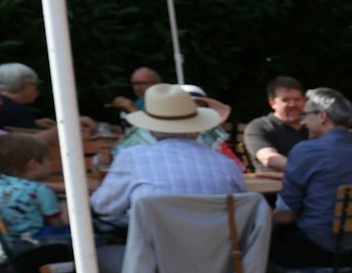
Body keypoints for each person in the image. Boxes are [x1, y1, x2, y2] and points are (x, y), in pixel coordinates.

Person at [90, 84, 247, 224]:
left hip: (152, 247)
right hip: (218, 247)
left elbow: (103, 207)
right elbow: (241, 208)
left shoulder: (132, 158)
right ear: (198, 127)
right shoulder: (225, 164)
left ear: (151, 129)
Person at [271, 88, 352, 267]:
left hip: (316, 250)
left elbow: (285, 215)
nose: (303, 121)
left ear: (322, 116)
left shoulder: (307, 151)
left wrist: (261, 224)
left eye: (305, 115)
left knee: (259, 238)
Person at [0, 63, 44, 130]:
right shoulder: (18, 111)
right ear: (24, 85)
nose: (37, 90)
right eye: (35, 84)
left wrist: (34, 122)